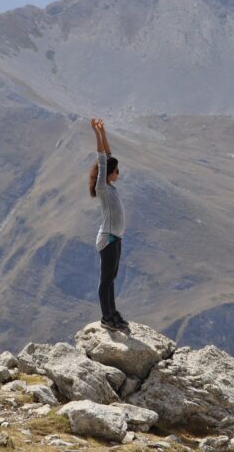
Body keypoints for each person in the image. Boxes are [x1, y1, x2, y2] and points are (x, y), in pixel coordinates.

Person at [89, 118, 130, 331]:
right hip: (108, 238)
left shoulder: (110, 187)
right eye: (116, 172)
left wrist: (103, 132)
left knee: (111, 278)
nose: (118, 174)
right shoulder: (103, 187)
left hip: (116, 237)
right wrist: (96, 134)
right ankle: (106, 317)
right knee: (106, 280)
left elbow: (109, 157)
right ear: (108, 174)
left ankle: (113, 313)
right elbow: (103, 159)